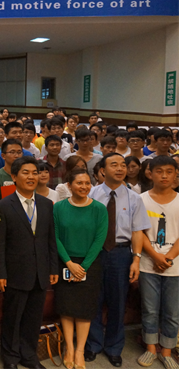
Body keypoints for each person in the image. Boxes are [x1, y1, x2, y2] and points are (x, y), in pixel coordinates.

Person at [85, 153, 150, 367]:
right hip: (94, 253)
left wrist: (136, 259)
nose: (121, 168)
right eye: (114, 165)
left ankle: (113, 347)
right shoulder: (91, 194)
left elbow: (138, 231)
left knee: (118, 302)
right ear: (102, 170)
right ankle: (93, 344)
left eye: (123, 165)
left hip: (122, 254)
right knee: (93, 300)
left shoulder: (134, 198)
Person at [0, 156, 59, 369]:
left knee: (33, 318)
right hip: (14, 272)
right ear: (14, 177)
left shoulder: (47, 204)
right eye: (25, 172)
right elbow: (0, 243)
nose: (31, 177)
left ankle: (29, 355)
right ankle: (11, 357)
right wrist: (0, 273)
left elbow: (50, 239)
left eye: (35, 172)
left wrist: (52, 268)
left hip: (41, 272)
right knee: (13, 318)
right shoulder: (3, 206)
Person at [53, 168, 107, 369]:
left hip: (89, 264)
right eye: (79, 183)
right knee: (66, 308)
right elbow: (55, 236)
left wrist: (83, 267)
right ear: (69, 185)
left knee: (84, 310)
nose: (83, 187)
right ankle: (68, 347)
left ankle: (79, 351)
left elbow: (99, 239)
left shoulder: (99, 209)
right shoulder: (58, 207)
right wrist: (68, 263)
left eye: (87, 183)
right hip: (65, 262)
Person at [137, 156, 179, 369]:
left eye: (169, 171)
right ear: (149, 173)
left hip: (175, 266)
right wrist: (155, 255)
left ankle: (167, 350)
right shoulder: (141, 200)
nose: (164, 175)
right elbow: (139, 232)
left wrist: (169, 257)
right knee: (150, 309)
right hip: (148, 263)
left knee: (172, 311)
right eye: (159, 171)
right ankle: (151, 348)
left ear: (175, 175)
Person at [0, 139, 23, 203]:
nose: (17, 155)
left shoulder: (26, 175)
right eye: (12, 152)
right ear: (3, 156)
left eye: (19, 152)